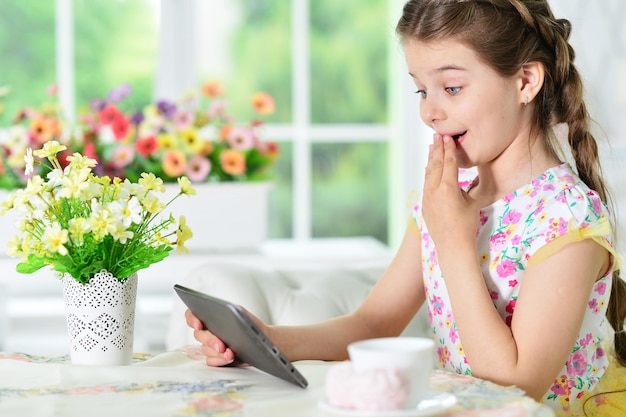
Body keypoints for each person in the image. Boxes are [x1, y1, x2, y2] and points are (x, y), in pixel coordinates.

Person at [186, 1, 626, 415]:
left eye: (452, 87)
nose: (431, 112)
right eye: (421, 90)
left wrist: (454, 240)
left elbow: (515, 384)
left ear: (526, 81)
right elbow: (374, 322)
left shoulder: (566, 220)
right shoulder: (445, 199)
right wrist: (265, 338)